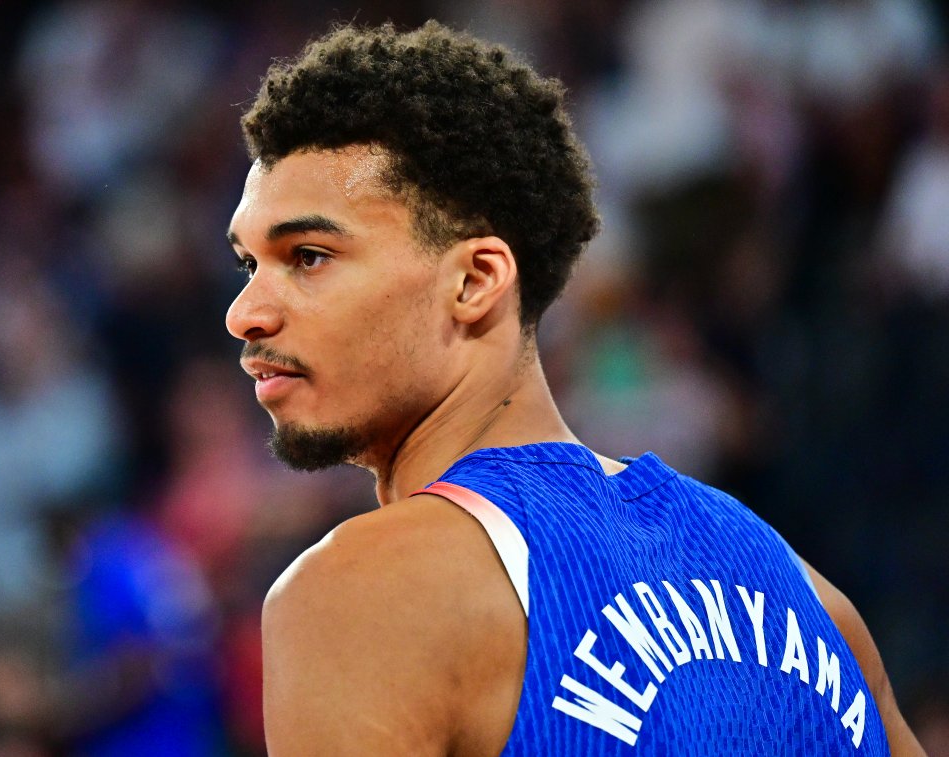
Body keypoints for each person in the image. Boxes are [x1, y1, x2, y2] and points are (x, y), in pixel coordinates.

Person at [223, 21, 926, 756]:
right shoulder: (811, 599)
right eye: (248, 264)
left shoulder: (362, 590)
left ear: (475, 280)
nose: (246, 314)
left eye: (309, 256)